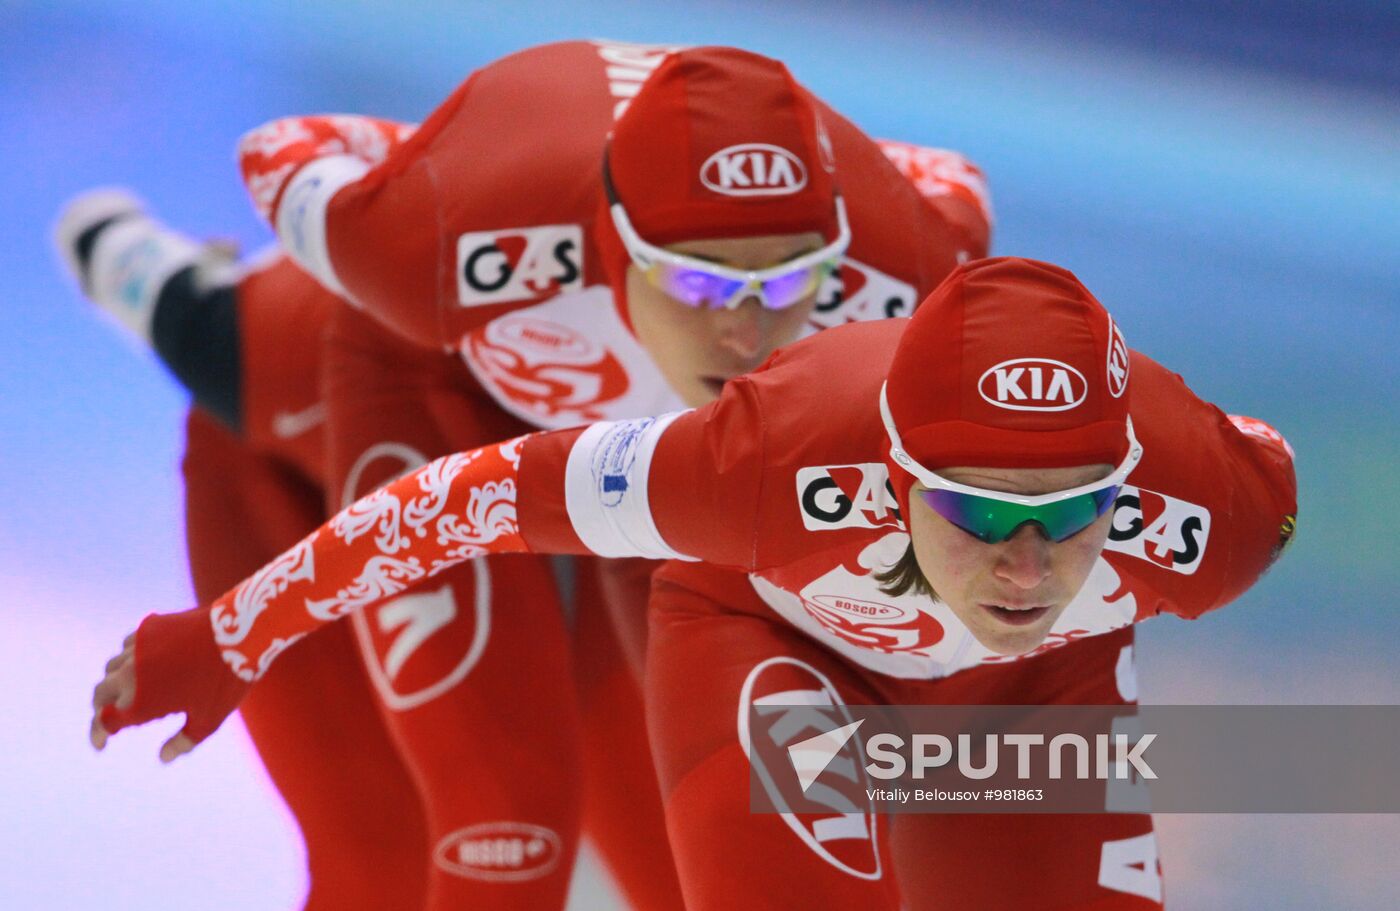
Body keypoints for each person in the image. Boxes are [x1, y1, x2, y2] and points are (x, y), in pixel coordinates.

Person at [66, 39, 991, 910]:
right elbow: (283, 147)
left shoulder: (909, 267)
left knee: (703, 863)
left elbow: (951, 175)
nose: (745, 334)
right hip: (377, 379)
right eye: (700, 283)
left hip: (618, 472)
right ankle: (144, 270)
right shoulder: (436, 244)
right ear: (611, 243)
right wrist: (419, 158)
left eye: (787, 285)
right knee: (496, 830)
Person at [91, 257, 1298, 908]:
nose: (1028, 561)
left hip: (1031, 688)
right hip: (777, 642)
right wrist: (231, 632)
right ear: (889, 474)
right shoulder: (755, 462)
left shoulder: (1222, 514)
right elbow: (453, 502)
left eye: (1073, 510)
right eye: (980, 508)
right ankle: (155, 274)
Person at [54, 197, 677, 909]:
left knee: (682, 849)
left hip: (586, 482)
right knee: (407, 860)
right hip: (287, 438)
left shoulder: (766, 428)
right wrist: (113, 242)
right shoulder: (259, 353)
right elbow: (503, 831)